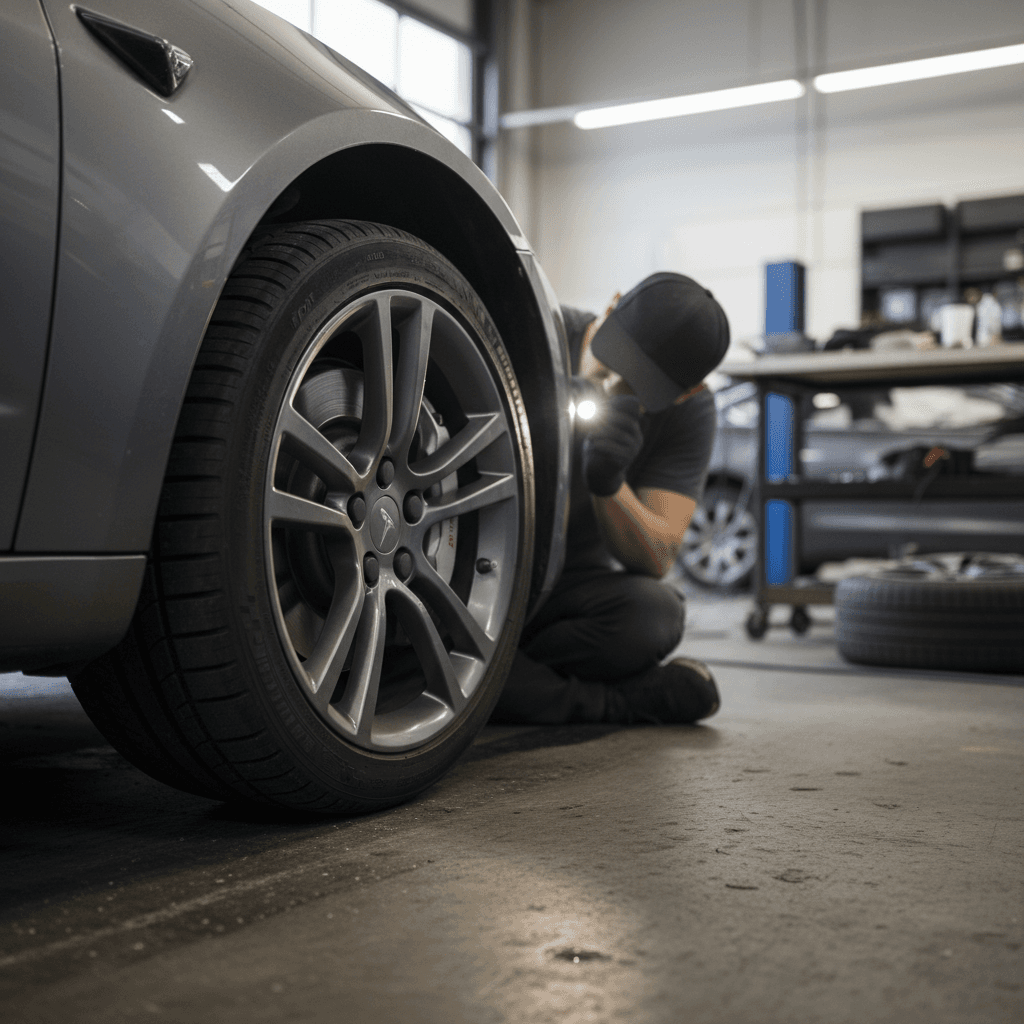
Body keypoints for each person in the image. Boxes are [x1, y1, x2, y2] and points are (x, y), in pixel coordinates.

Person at [492, 272, 729, 725]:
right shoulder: (528, 334)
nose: (611, 382)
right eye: (610, 358)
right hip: (464, 565)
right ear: (611, 304)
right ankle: (616, 703)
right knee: (410, 640)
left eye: (636, 384)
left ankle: (495, 678)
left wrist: (609, 484)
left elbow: (658, 554)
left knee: (653, 617)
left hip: (561, 589)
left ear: (685, 394)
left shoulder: (691, 413)